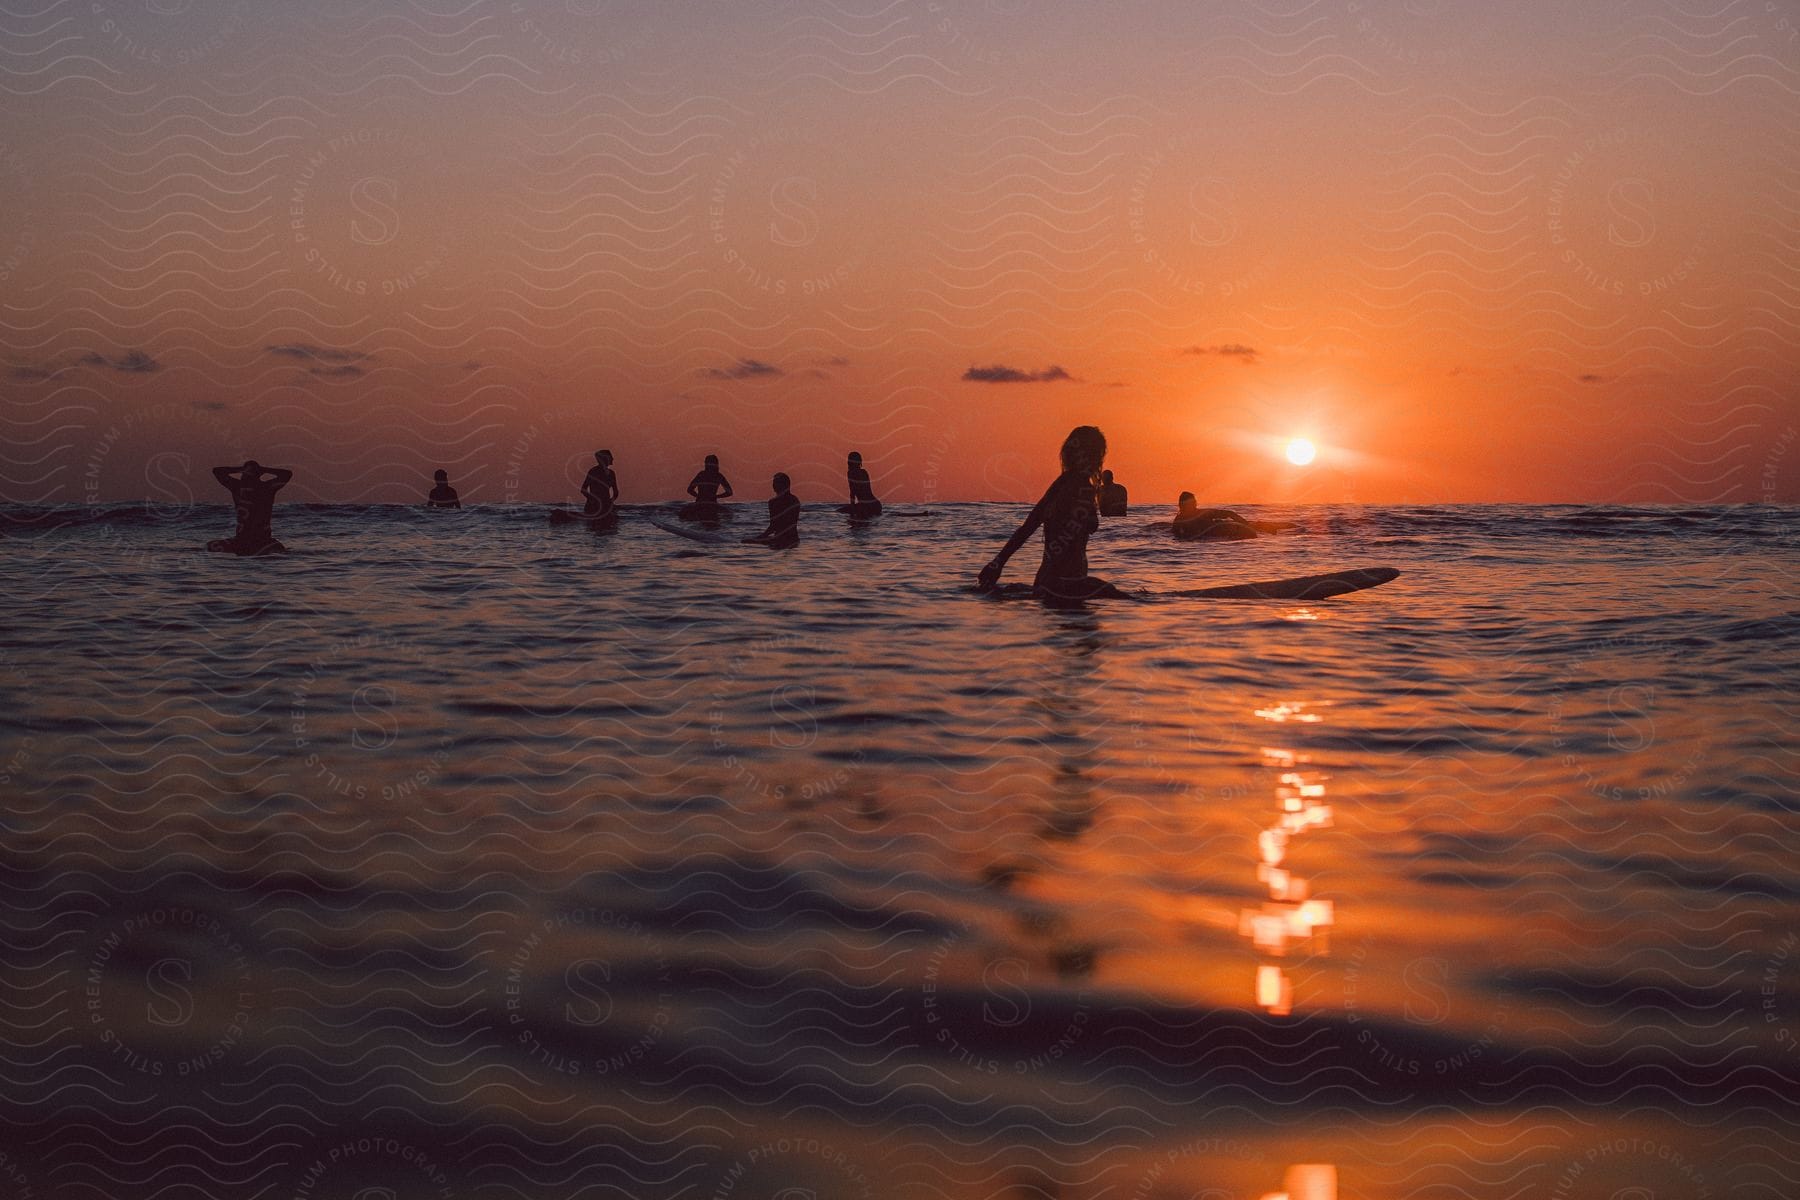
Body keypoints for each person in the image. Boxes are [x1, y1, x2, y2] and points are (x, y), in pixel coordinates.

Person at [976, 426, 1132, 602]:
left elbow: (1027, 527)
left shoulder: (1060, 485)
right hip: (1067, 585)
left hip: (1048, 582)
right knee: (1129, 600)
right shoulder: (1082, 489)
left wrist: (997, 563)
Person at [207, 460, 292, 555]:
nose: (244, 476)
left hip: (260, 539)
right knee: (210, 546)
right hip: (244, 539)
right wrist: (258, 469)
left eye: (247, 474)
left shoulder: (263, 488)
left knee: (211, 546)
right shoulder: (263, 487)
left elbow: (287, 474)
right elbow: (217, 471)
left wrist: (253, 469)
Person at [1166, 492, 1290, 540]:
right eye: (1190, 504)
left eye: (1194, 503)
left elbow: (1230, 513)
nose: (1194, 506)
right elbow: (1175, 534)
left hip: (1229, 528)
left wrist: (1245, 525)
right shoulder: (1178, 520)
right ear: (1181, 505)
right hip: (1219, 532)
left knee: (1258, 526)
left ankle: (1279, 528)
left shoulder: (1202, 513)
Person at [745, 472, 800, 549]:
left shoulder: (774, 502)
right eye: (773, 483)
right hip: (794, 539)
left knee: (746, 543)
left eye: (776, 483)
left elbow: (773, 526)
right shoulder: (795, 500)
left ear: (784, 485)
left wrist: (758, 538)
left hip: (780, 539)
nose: (773, 486)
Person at [681, 454, 733, 520]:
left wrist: (699, 496)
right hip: (712, 503)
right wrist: (716, 496)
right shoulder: (719, 476)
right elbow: (729, 492)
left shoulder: (701, 474)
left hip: (700, 503)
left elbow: (689, 490)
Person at [841, 450, 882, 518]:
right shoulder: (864, 472)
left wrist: (852, 509)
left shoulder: (851, 473)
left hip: (867, 506)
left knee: (841, 511)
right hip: (876, 505)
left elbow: (852, 493)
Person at [580, 450, 617, 522]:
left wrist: (610, 502)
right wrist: (593, 500)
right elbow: (583, 489)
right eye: (611, 456)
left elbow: (616, 492)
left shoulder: (612, 473)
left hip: (605, 506)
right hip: (593, 506)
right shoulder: (593, 471)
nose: (613, 458)